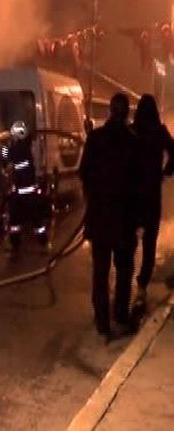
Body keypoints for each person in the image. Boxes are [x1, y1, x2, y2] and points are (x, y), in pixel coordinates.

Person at [79, 93, 139, 343]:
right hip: (124, 221)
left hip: (100, 219)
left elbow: (83, 173)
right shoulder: (133, 142)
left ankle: (102, 322)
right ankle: (121, 315)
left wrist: (92, 199)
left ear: (110, 112)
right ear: (126, 114)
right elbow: (139, 184)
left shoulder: (95, 138)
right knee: (124, 270)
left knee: (100, 273)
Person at [129, 94, 174, 315]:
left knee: (127, 242)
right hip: (151, 195)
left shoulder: (131, 131)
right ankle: (141, 287)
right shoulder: (159, 131)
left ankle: (123, 285)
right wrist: (165, 172)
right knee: (148, 244)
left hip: (132, 195)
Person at [0, 120, 49, 255]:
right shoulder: (26, 145)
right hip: (27, 192)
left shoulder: (21, 149)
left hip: (24, 192)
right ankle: (41, 244)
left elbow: (7, 161)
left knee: (21, 221)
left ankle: (19, 245)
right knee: (28, 221)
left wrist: (5, 146)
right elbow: (7, 161)